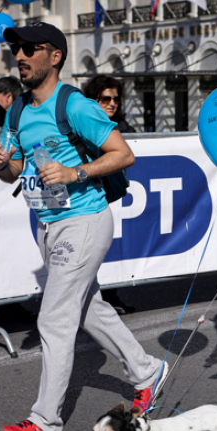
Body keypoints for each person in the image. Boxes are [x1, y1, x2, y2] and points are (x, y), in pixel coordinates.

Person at [0, 21, 167, 431]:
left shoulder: (77, 106)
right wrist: (0, 163)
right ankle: (147, 371)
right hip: (48, 223)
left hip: (85, 220)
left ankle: (45, 423)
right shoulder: (16, 111)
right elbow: (14, 169)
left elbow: (124, 154)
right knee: (88, 309)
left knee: (53, 317)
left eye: (31, 48)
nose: (20, 55)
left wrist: (75, 172)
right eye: (16, 48)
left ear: (55, 56)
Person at [81, 74, 138, 314]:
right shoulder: (81, 124)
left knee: (107, 250)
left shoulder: (122, 127)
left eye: (115, 99)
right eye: (106, 99)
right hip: (85, 201)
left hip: (109, 198)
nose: (112, 103)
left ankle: (108, 299)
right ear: (93, 100)